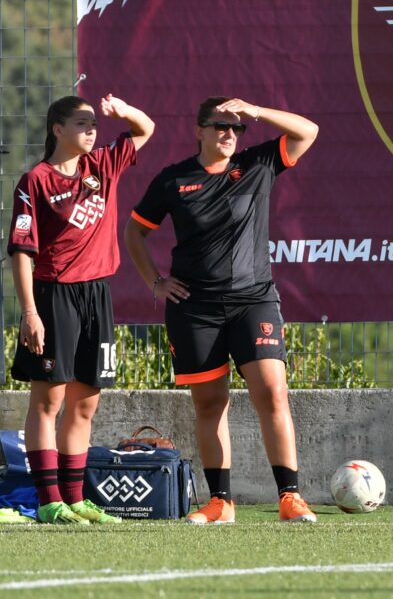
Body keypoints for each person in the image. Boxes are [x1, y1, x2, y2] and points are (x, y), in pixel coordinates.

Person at [124, 97, 319, 524]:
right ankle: (220, 503)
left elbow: (308, 131)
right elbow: (134, 232)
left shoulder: (258, 163)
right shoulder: (174, 179)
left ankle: (289, 496)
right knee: (210, 404)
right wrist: (155, 282)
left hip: (253, 299)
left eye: (236, 128)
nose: (229, 135)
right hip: (195, 308)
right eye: (219, 127)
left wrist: (256, 111)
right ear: (199, 130)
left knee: (272, 392)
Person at [8, 94, 155, 524]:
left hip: (97, 295)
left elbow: (146, 128)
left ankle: (75, 501)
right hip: (54, 296)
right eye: (82, 123)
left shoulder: (103, 166)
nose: (92, 130)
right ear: (57, 129)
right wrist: (30, 312)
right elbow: (21, 252)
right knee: (48, 399)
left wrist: (124, 109)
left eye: (95, 123)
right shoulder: (35, 180)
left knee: (86, 402)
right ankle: (49, 501)